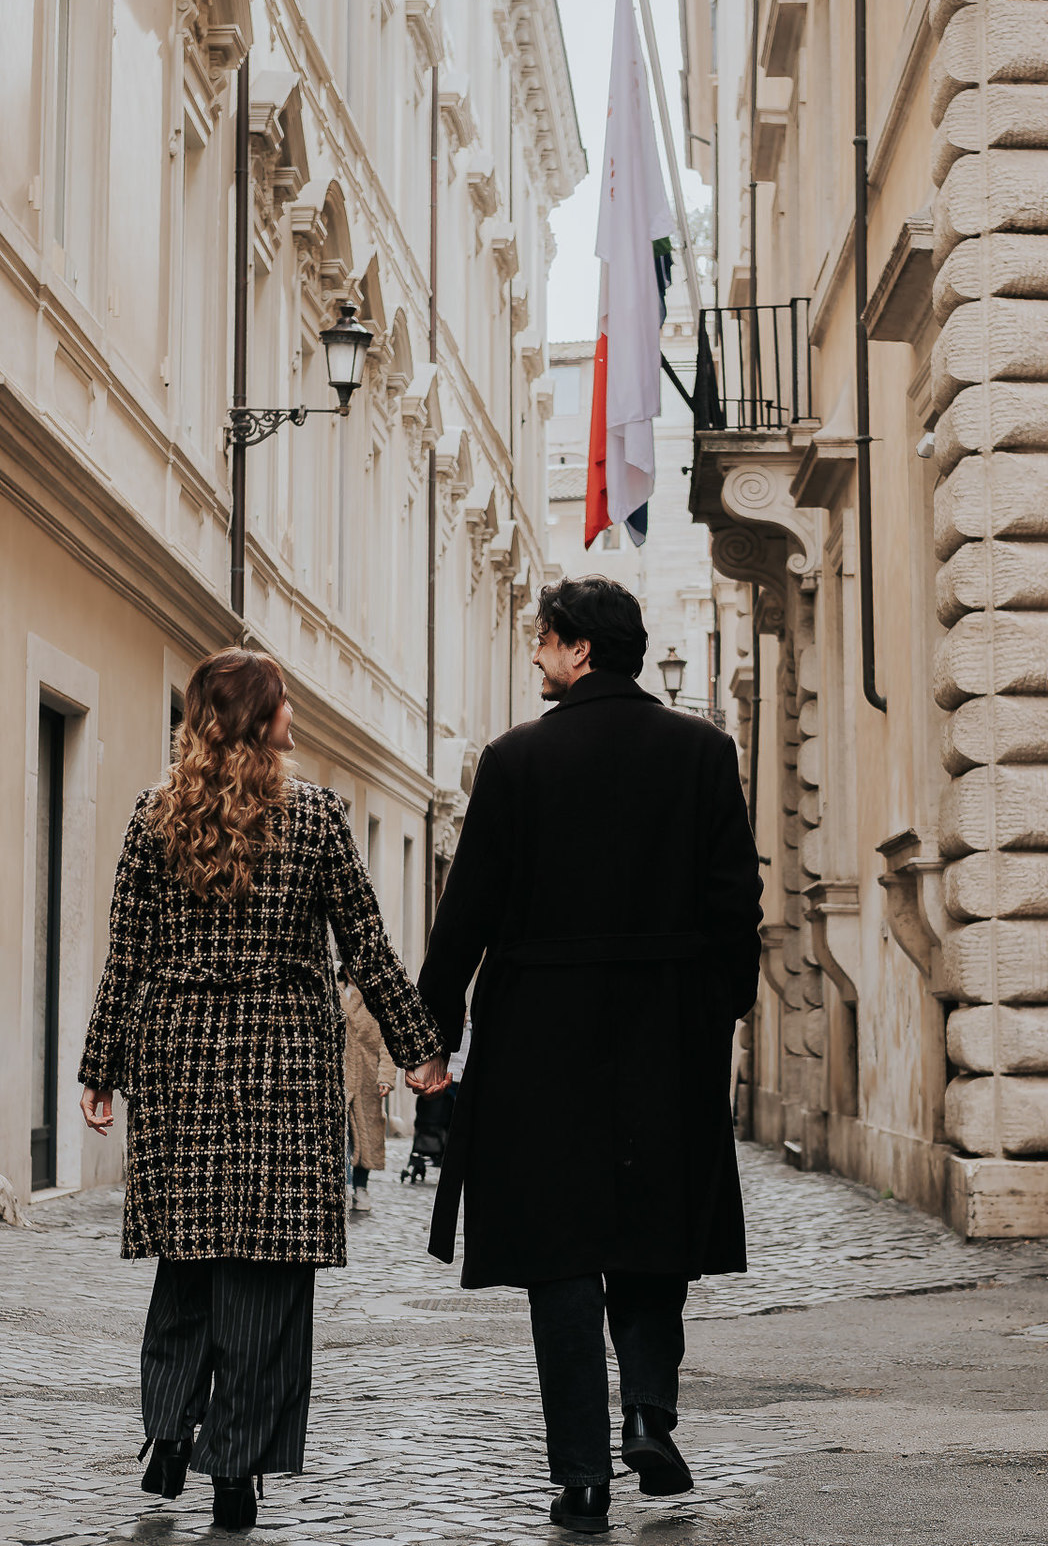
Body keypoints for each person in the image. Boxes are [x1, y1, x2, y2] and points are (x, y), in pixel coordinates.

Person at [416, 575, 763, 1535]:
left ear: (575, 648)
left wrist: (431, 1036)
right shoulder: (704, 752)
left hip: (541, 1039)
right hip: (668, 1029)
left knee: (560, 1256)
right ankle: (649, 1413)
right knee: (655, 1234)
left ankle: (580, 1478)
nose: (534, 657)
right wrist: (717, 1009)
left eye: (541, 641)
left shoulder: (516, 761)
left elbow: (468, 914)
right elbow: (737, 905)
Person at [78, 649, 448, 1532]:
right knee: (269, 1281)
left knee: (189, 1258)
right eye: (283, 703)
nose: (295, 716)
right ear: (257, 717)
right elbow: (366, 948)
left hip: (179, 1059)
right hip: (280, 1058)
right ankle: (233, 1466)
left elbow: (128, 956)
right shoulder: (315, 818)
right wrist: (420, 1050)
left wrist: (102, 1069)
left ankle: (169, 1428)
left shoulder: (154, 816)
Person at [339, 967, 397, 1212]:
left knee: (365, 1134)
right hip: (336, 1076)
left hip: (366, 1077)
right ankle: (340, 1185)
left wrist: (385, 1077)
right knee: (336, 1135)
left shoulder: (377, 998)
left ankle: (361, 1187)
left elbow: (387, 1042)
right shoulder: (332, 989)